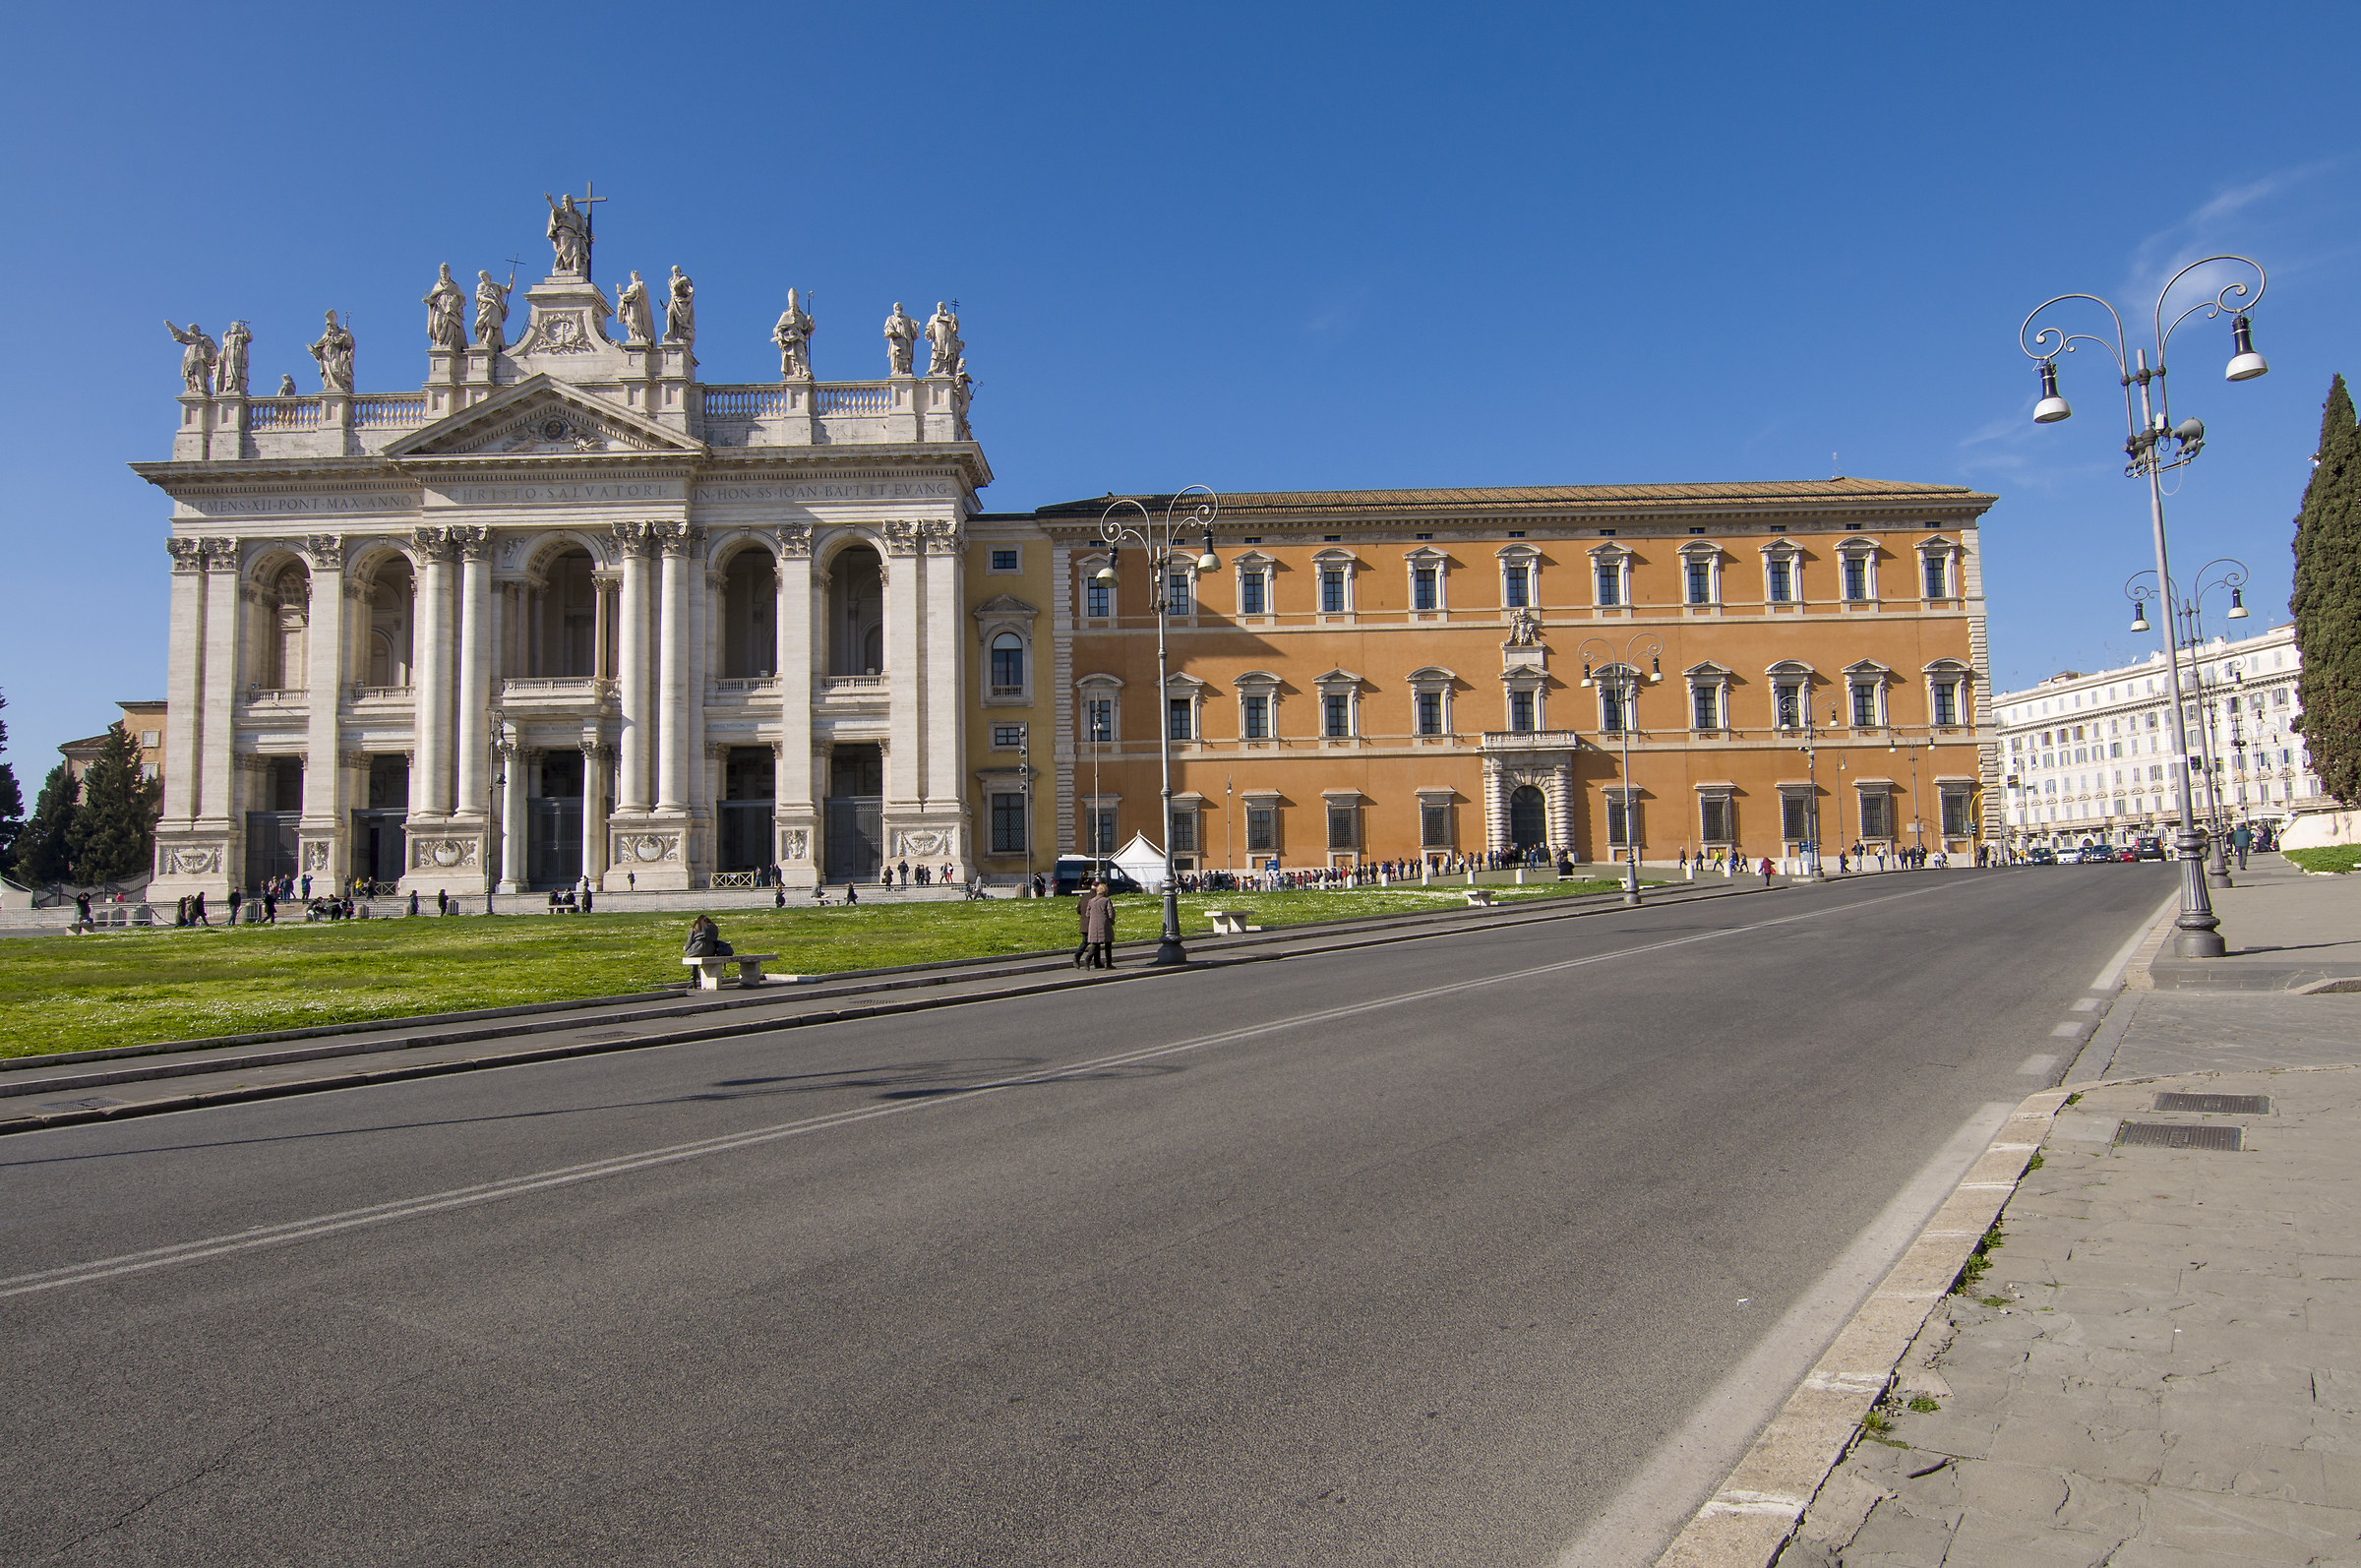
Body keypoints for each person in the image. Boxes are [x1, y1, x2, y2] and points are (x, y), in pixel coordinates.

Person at [1083, 879, 1116, 970]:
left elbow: (1087, 914)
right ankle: (1108, 964)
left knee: (1095, 943)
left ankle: (1088, 959)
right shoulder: (1106, 900)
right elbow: (1111, 912)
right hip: (1105, 924)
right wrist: (1112, 920)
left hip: (1093, 924)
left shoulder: (1091, 901)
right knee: (1108, 943)